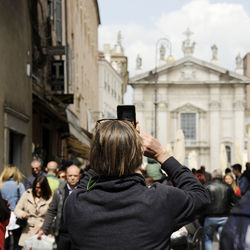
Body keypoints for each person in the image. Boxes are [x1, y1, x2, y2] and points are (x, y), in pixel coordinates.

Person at [63, 119, 210, 250]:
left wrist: (109, 147)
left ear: (95, 156)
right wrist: (162, 154)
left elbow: (88, 177)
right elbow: (201, 196)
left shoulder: (75, 204)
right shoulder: (160, 200)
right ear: (137, 156)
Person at [37, 165, 81, 250]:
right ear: (66, 176)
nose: (72, 178)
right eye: (70, 175)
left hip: (79, 235)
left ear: (79, 176)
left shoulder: (84, 191)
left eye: (75, 176)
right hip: (62, 234)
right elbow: (51, 211)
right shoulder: (59, 191)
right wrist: (43, 229)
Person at [203, 169, 237, 250]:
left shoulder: (206, 186)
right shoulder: (227, 187)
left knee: (208, 238)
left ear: (213, 176)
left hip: (210, 217)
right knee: (223, 239)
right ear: (222, 176)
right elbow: (233, 203)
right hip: (224, 217)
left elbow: (202, 202)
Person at [14, 176, 52, 247]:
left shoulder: (50, 198)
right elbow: (17, 209)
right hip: (28, 231)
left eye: (41, 188)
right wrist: (22, 214)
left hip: (44, 232)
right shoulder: (27, 194)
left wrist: (42, 226)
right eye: (37, 187)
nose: (39, 190)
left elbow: (53, 216)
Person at [0, 165, 25, 250]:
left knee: (5, 240)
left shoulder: (1, 185)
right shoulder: (19, 185)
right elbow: (23, 201)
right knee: (17, 241)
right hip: (16, 216)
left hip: (4, 215)